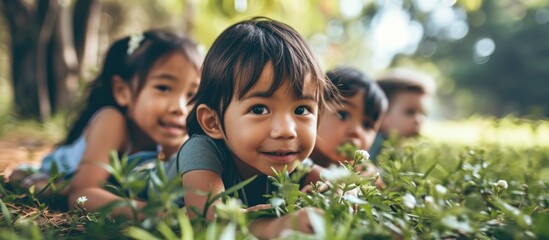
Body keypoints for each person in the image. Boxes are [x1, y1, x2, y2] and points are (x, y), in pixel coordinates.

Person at [172, 17, 336, 239]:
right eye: (259, 109)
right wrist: (271, 228)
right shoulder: (202, 150)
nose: (287, 131)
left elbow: (335, 182)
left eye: (301, 110)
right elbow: (207, 219)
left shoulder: (287, 157)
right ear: (213, 122)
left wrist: (349, 188)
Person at [12, 30, 202, 217]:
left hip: (100, 184)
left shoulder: (176, 139)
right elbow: (81, 195)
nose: (181, 108)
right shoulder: (112, 121)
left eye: (192, 95)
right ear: (122, 91)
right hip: (57, 172)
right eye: (164, 88)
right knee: (25, 178)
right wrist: (160, 215)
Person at [310, 67, 387, 185]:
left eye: (367, 125)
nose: (356, 131)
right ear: (315, 109)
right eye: (343, 115)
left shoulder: (362, 174)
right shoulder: (289, 157)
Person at [369, 68, 435, 161]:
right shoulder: (373, 145)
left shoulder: (397, 148)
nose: (418, 120)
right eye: (410, 112)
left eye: (423, 113)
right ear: (381, 115)